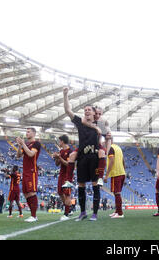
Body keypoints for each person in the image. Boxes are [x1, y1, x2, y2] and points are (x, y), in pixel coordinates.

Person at [63, 87, 101, 222]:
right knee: (81, 185)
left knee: (95, 184)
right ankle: (83, 212)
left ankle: (95, 213)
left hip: (94, 157)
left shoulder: (99, 124)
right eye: (85, 110)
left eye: (89, 110)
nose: (86, 111)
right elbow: (68, 110)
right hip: (83, 157)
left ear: (94, 112)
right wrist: (65, 94)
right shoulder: (80, 122)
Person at [16, 128, 41, 222]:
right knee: (26, 193)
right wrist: (19, 146)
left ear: (34, 133)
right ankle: (33, 215)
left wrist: (22, 144)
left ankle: (34, 216)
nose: (27, 133)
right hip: (25, 171)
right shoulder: (26, 144)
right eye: (26, 131)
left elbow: (31, 154)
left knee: (31, 192)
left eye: (29, 131)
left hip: (32, 171)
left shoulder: (36, 143)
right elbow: (18, 156)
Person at [104, 141, 127, 219]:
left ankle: (120, 213)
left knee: (117, 193)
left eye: (105, 141)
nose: (104, 142)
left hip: (116, 173)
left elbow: (112, 161)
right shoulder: (118, 148)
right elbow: (123, 161)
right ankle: (117, 211)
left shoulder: (111, 148)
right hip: (121, 173)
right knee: (116, 192)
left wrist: (106, 175)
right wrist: (124, 171)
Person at [53, 134, 72, 220]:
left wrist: (59, 157)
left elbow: (68, 164)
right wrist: (56, 158)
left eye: (59, 140)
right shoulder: (61, 151)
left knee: (67, 194)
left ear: (62, 141)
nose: (58, 142)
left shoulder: (70, 151)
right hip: (61, 174)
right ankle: (69, 209)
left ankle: (66, 214)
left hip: (68, 175)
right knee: (60, 193)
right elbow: (57, 164)